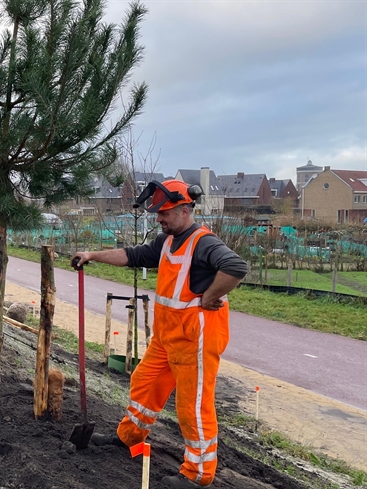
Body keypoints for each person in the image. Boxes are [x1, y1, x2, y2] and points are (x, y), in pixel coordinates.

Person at [71, 179, 247, 488]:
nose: (159, 219)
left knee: (192, 407)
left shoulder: (203, 242)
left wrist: (208, 297)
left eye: (164, 213)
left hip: (195, 341)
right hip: (167, 338)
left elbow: (235, 266)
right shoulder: (166, 242)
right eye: (158, 214)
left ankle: (198, 475)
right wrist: (92, 255)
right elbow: (132, 255)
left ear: (183, 209)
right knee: (145, 382)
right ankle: (129, 438)